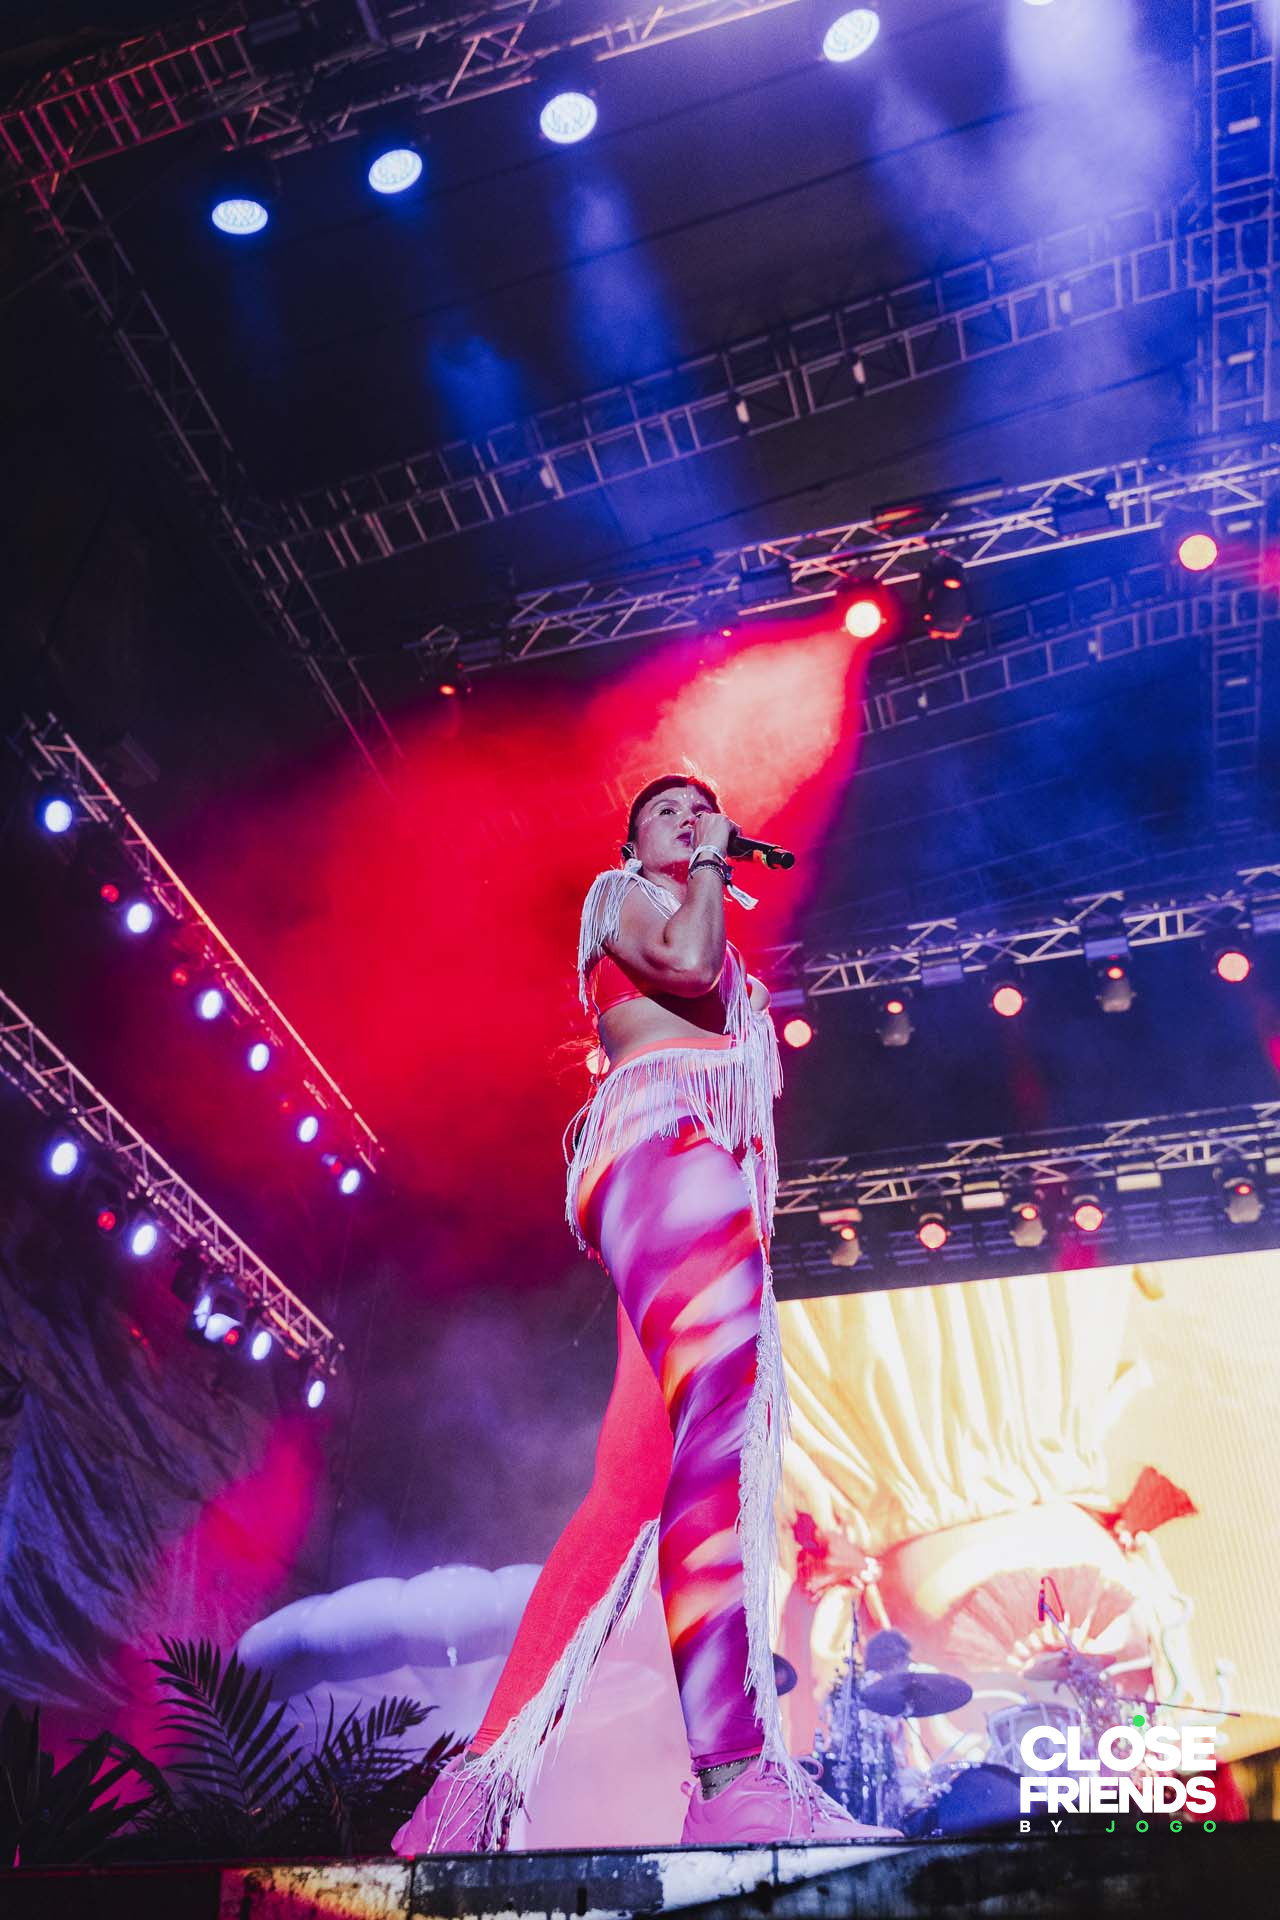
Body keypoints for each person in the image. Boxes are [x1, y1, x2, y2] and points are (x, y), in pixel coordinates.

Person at [392, 775, 900, 1852]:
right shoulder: (622, 897)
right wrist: (710, 857)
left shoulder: (691, 921)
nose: (689, 819)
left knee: (629, 1489)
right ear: (631, 843)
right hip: (666, 1149)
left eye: (701, 810)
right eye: (668, 811)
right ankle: (733, 1778)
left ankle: (470, 1793)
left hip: (688, 1181)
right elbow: (690, 966)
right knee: (723, 1431)